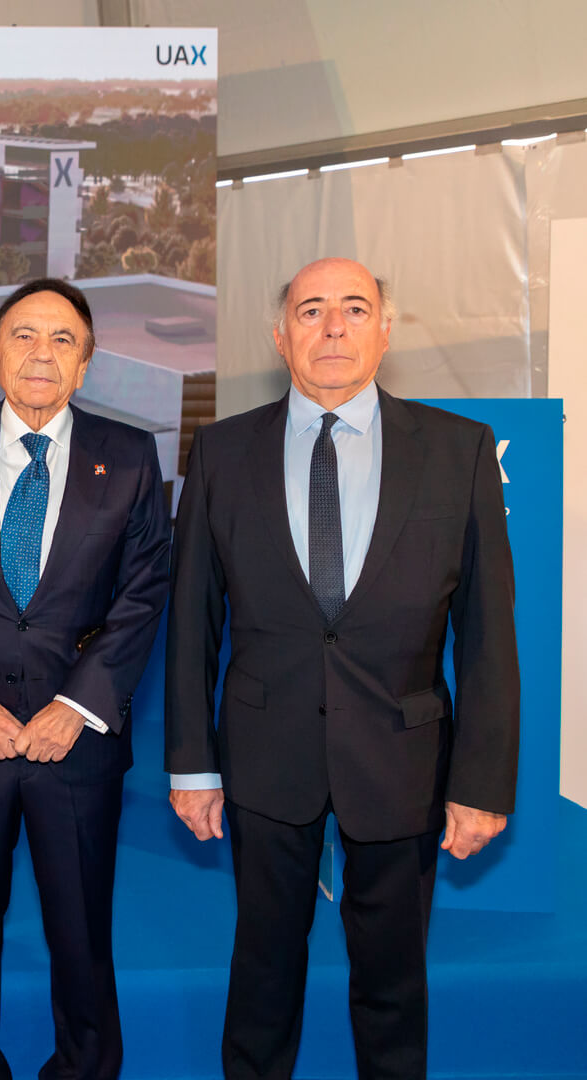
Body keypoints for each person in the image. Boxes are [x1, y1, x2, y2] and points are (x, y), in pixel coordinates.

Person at [165, 257, 520, 1080]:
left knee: (393, 984)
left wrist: (482, 782)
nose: (333, 327)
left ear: (385, 331)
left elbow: (487, 634)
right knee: (261, 976)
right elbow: (191, 621)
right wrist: (191, 765)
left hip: (404, 758)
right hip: (263, 756)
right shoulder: (221, 450)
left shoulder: (458, 449)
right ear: (279, 335)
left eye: (355, 309)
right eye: (311, 310)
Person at [0, 278, 168, 1080]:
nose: (41, 355)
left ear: (85, 363)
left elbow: (143, 592)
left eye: (62, 340)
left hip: (76, 744)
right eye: (22, 336)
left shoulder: (130, 456)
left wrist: (76, 707)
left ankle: (85, 1068)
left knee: (82, 934)